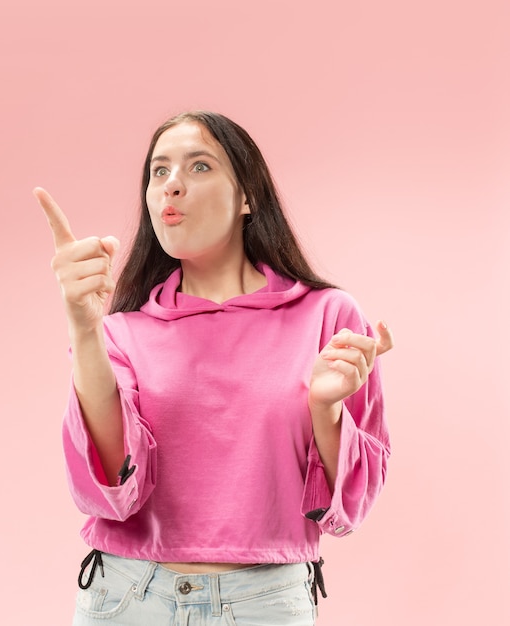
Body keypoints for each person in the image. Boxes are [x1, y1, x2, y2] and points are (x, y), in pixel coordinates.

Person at [35, 110, 393, 626]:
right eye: (159, 172)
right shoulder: (120, 331)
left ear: (248, 196)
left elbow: (348, 504)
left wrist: (326, 408)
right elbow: (112, 484)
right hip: (128, 598)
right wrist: (84, 328)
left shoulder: (329, 316)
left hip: (266, 603)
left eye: (198, 166)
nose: (171, 186)